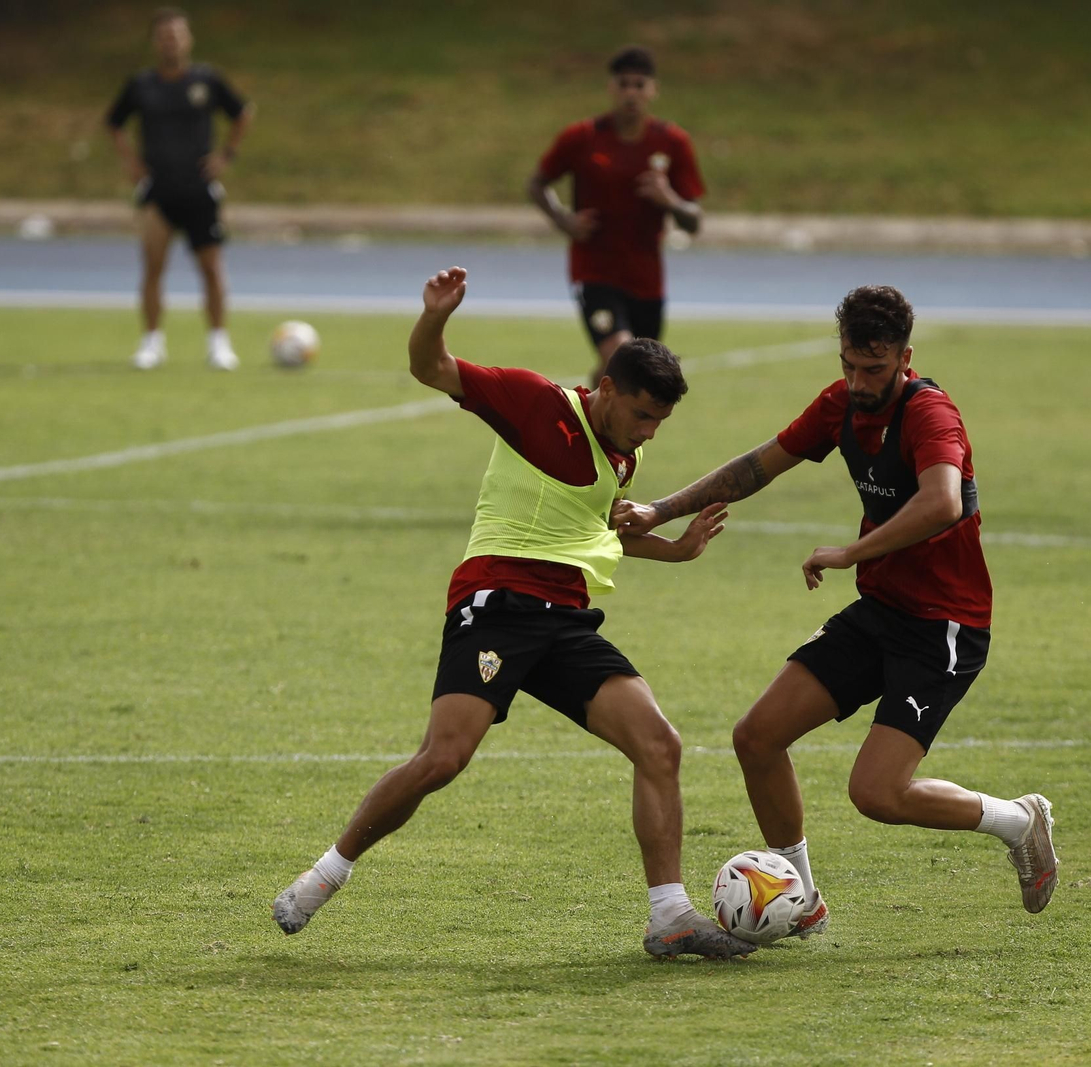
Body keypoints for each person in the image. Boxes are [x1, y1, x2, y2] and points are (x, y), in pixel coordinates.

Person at [273, 266, 756, 959]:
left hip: (565, 620)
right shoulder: (535, 402)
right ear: (608, 388)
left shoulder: (624, 454)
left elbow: (592, 531)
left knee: (660, 745)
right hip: (495, 606)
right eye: (643, 412)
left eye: (660, 420)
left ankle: (670, 916)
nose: (649, 429)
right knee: (444, 757)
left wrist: (676, 552)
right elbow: (429, 367)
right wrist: (436, 314)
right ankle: (325, 875)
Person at [613, 284, 1059, 936]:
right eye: (848, 364)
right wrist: (658, 509)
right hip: (880, 609)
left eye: (873, 369)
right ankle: (805, 901)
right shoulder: (840, 404)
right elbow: (757, 466)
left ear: (906, 357)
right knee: (756, 736)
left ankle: (1019, 821)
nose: (857, 381)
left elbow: (943, 502)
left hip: (943, 625)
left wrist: (854, 550)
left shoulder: (931, 414)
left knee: (876, 793)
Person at [528, 46, 705, 386]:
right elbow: (537, 183)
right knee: (619, 352)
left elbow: (694, 219)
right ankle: (592, 432)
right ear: (611, 88)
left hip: (646, 275)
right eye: (623, 84)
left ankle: (590, 415)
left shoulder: (672, 143)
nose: (631, 93)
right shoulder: (583, 138)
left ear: (652, 90)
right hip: (595, 269)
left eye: (639, 85)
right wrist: (563, 219)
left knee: (632, 370)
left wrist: (669, 200)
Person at [107, 7, 252, 371]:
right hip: (158, 190)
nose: (171, 41)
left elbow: (242, 112)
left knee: (211, 268)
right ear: (156, 42)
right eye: (164, 35)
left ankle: (219, 343)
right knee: (153, 265)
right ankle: (152, 343)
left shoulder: (205, 81)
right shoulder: (142, 85)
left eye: (177, 34)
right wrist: (129, 161)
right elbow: (114, 122)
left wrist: (226, 155)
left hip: (199, 188)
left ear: (188, 40)